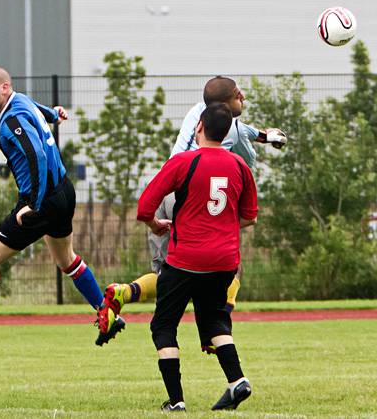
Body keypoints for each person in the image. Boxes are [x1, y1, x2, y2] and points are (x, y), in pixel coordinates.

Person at [0, 66, 120, 356]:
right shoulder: (20, 101)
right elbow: (35, 107)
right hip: (63, 191)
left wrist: (33, 204)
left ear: (4, 87)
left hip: (41, 199)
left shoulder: (11, 118)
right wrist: (53, 113)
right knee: (66, 260)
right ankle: (106, 312)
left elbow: (37, 154)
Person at [96, 76, 286, 349]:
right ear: (223, 105)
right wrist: (267, 139)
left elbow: (243, 127)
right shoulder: (231, 128)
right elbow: (245, 152)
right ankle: (214, 333)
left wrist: (264, 135)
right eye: (236, 94)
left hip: (169, 189)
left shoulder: (197, 111)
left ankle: (123, 293)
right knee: (227, 274)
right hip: (196, 195)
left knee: (168, 275)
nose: (242, 96)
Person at [137, 102, 257, 411]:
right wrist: (222, 224)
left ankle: (176, 401)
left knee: (163, 326)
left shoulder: (182, 162)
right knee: (215, 321)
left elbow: (144, 208)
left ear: (198, 127)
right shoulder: (240, 166)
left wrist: (156, 225)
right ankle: (237, 381)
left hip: (185, 260)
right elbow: (250, 216)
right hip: (224, 263)